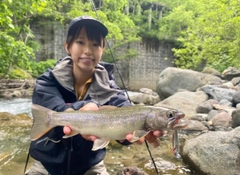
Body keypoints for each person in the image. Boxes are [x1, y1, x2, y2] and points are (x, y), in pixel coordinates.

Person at [26, 15, 163, 175]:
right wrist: (81, 108)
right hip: (47, 164)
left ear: (102, 49)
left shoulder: (110, 89)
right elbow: (53, 111)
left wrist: (134, 134)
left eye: (95, 44)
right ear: (67, 47)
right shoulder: (48, 81)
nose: (88, 50)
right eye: (80, 42)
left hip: (90, 166)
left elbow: (125, 111)